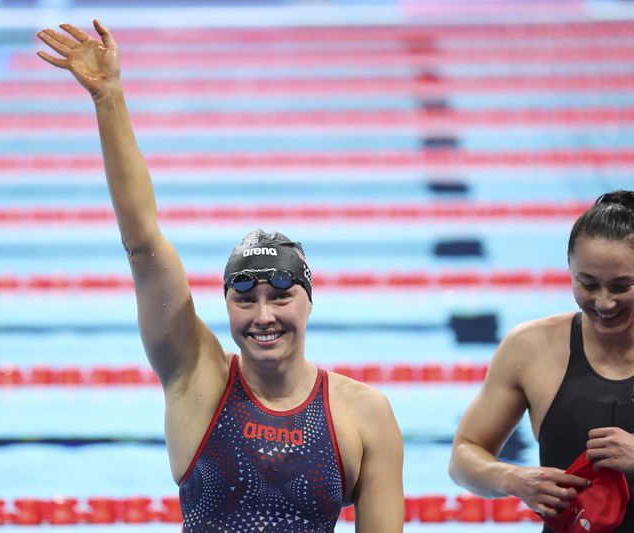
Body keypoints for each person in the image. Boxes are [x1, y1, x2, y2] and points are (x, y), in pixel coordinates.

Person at [36, 21, 404, 532]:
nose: (263, 316)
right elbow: (142, 243)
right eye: (245, 299)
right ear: (227, 305)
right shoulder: (198, 380)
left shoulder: (364, 415)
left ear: (309, 300)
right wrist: (108, 97)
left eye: (280, 296)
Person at [449, 190, 634, 531]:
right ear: (569, 269)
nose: (605, 303)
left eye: (622, 286)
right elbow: (465, 454)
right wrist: (514, 478)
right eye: (588, 284)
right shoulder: (530, 348)